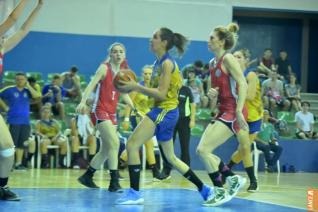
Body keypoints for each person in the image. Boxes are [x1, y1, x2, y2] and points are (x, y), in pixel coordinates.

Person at [115, 27, 213, 205]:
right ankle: (205, 189)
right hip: (165, 111)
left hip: (164, 111)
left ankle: (135, 193)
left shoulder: (167, 64)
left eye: (154, 37)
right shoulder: (157, 63)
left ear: (164, 42)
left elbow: (160, 94)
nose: (150, 40)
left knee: (131, 144)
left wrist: (135, 87)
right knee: (171, 158)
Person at [196, 23, 249, 206]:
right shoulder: (212, 64)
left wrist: (239, 112)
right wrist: (212, 95)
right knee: (202, 150)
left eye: (212, 38)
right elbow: (216, 93)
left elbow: (243, 83)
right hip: (223, 110)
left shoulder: (228, 59)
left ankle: (220, 191)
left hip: (233, 110)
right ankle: (232, 179)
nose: (208, 41)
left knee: (204, 150)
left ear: (221, 42)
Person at [76, 42, 134, 192]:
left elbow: (124, 93)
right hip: (100, 110)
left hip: (112, 113)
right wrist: (83, 101)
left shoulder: (122, 73)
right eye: (115, 52)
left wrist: (135, 107)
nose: (118, 54)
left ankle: (87, 176)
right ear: (110, 54)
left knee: (106, 148)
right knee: (115, 143)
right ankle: (114, 182)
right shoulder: (104, 68)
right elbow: (91, 85)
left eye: (121, 51)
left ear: (124, 55)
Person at [0, 0, 42, 201]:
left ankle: (2, 187)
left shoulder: (2, 48)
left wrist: (40, 6)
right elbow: (13, 18)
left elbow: (24, 29)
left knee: (8, 148)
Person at [120, 65, 167, 181]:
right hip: (136, 117)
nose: (147, 76)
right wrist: (126, 119)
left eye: (149, 73)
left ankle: (118, 165)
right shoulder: (137, 87)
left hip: (148, 118)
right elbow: (128, 103)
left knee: (140, 143)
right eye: (145, 73)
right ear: (142, 74)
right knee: (147, 143)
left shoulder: (153, 88)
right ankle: (155, 172)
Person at [226, 48, 262, 192]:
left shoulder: (251, 74)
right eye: (233, 57)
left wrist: (232, 93)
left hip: (254, 117)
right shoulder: (231, 75)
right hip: (240, 116)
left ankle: (226, 169)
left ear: (246, 60)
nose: (235, 59)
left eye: (239, 57)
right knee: (245, 147)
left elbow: (251, 95)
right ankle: (253, 180)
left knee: (242, 150)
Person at [162, 84, 196, 177]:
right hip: (171, 120)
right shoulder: (170, 88)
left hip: (184, 121)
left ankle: (187, 171)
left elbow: (192, 105)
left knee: (185, 146)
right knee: (168, 146)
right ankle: (166, 171)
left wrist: (192, 119)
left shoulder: (186, 89)